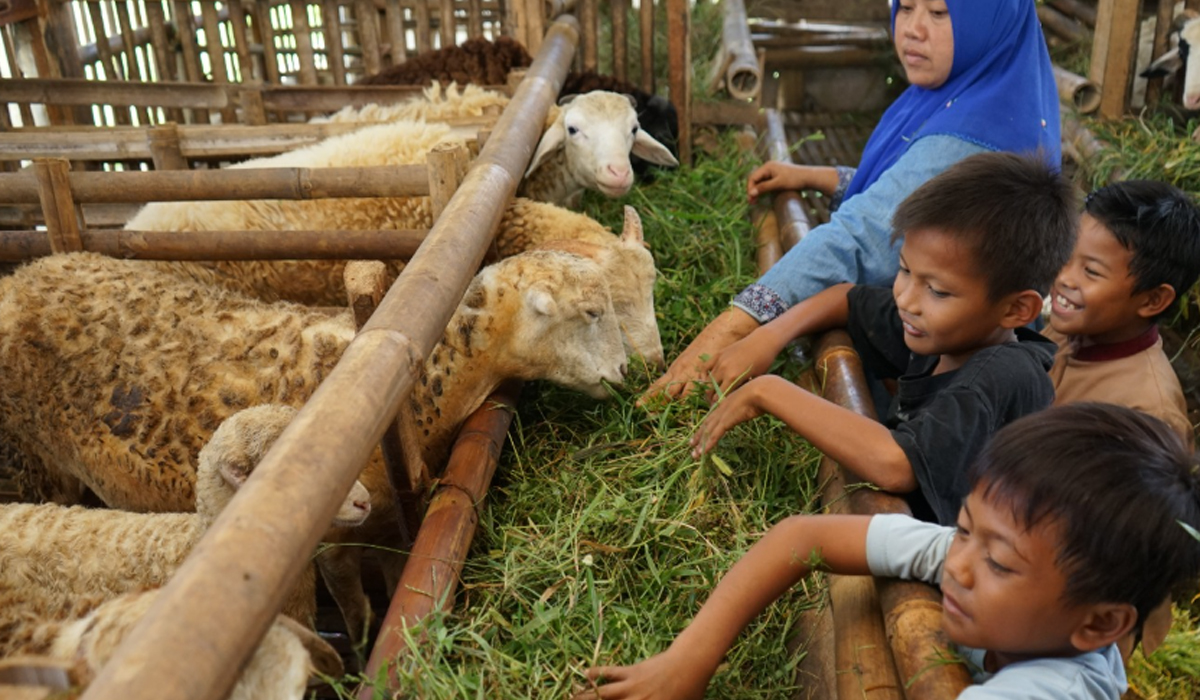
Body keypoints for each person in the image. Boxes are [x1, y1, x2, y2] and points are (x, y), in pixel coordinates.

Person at [576, 403, 1200, 700]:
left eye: (999, 563)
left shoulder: (1052, 691)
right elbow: (802, 537)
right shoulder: (991, 558)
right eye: (962, 527)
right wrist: (689, 659)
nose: (958, 563)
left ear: (1099, 624)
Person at [645, 0, 1061, 403]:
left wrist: (733, 327)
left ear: (990, 21)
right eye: (906, 7)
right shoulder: (985, 91)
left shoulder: (972, 133)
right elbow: (915, 188)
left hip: (935, 380)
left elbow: (864, 238)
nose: (913, 29)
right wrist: (823, 178)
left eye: (939, 13)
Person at [691, 152, 1075, 524]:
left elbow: (896, 465)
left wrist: (769, 392)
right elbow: (846, 298)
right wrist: (770, 336)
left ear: (1016, 311)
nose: (906, 298)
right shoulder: (951, 332)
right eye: (905, 270)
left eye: (938, 291)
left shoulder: (1004, 375)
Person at [1046, 180, 1200, 448]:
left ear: (1153, 300)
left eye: (1091, 271)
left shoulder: (1148, 415)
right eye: (1066, 255)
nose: (1063, 278)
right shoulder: (1065, 335)